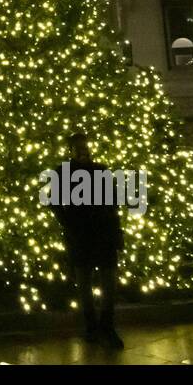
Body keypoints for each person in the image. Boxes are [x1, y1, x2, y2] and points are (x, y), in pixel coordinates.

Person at [50, 131, 125, 350]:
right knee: (84, 282)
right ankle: (91, 327)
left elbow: (112, 204)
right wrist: (69, 222)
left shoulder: (101, 171)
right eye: (78, 147)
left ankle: (107, 326)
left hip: (104, 233)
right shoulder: (62, 173)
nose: (83, 150)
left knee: (108, 281)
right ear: (71, 150)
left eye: (85, 146)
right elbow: (54, 203)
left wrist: (117, 232)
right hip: (80, 235)